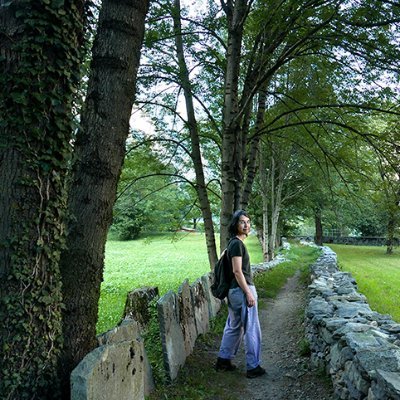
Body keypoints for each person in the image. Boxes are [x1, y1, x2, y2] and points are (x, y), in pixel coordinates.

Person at [215, 210, 266, 378]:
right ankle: (253, 367)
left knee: (234, 326)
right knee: (251, 328)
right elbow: (237, 271)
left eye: (248, 222)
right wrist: (249, 294)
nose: (246, 225)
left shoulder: (231, 244)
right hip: (242, 290)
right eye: (242, 222)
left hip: (233, 292)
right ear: (235, 225)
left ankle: (223, 360)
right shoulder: (237, 244)